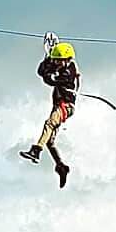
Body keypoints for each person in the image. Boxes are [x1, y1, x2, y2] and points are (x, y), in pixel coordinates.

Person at [19, 34, 79, 188]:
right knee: (50, 141)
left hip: (66, 106)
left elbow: (50, 79)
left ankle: (36, 150)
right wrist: (47, 60)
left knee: (49, 124)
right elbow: (41, 71)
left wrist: (48, 71)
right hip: (58, 104)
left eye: (58, 61)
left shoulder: (69, 72)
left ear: (66, 59)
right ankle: (61, 166)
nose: (56, 63)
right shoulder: (61, 66)